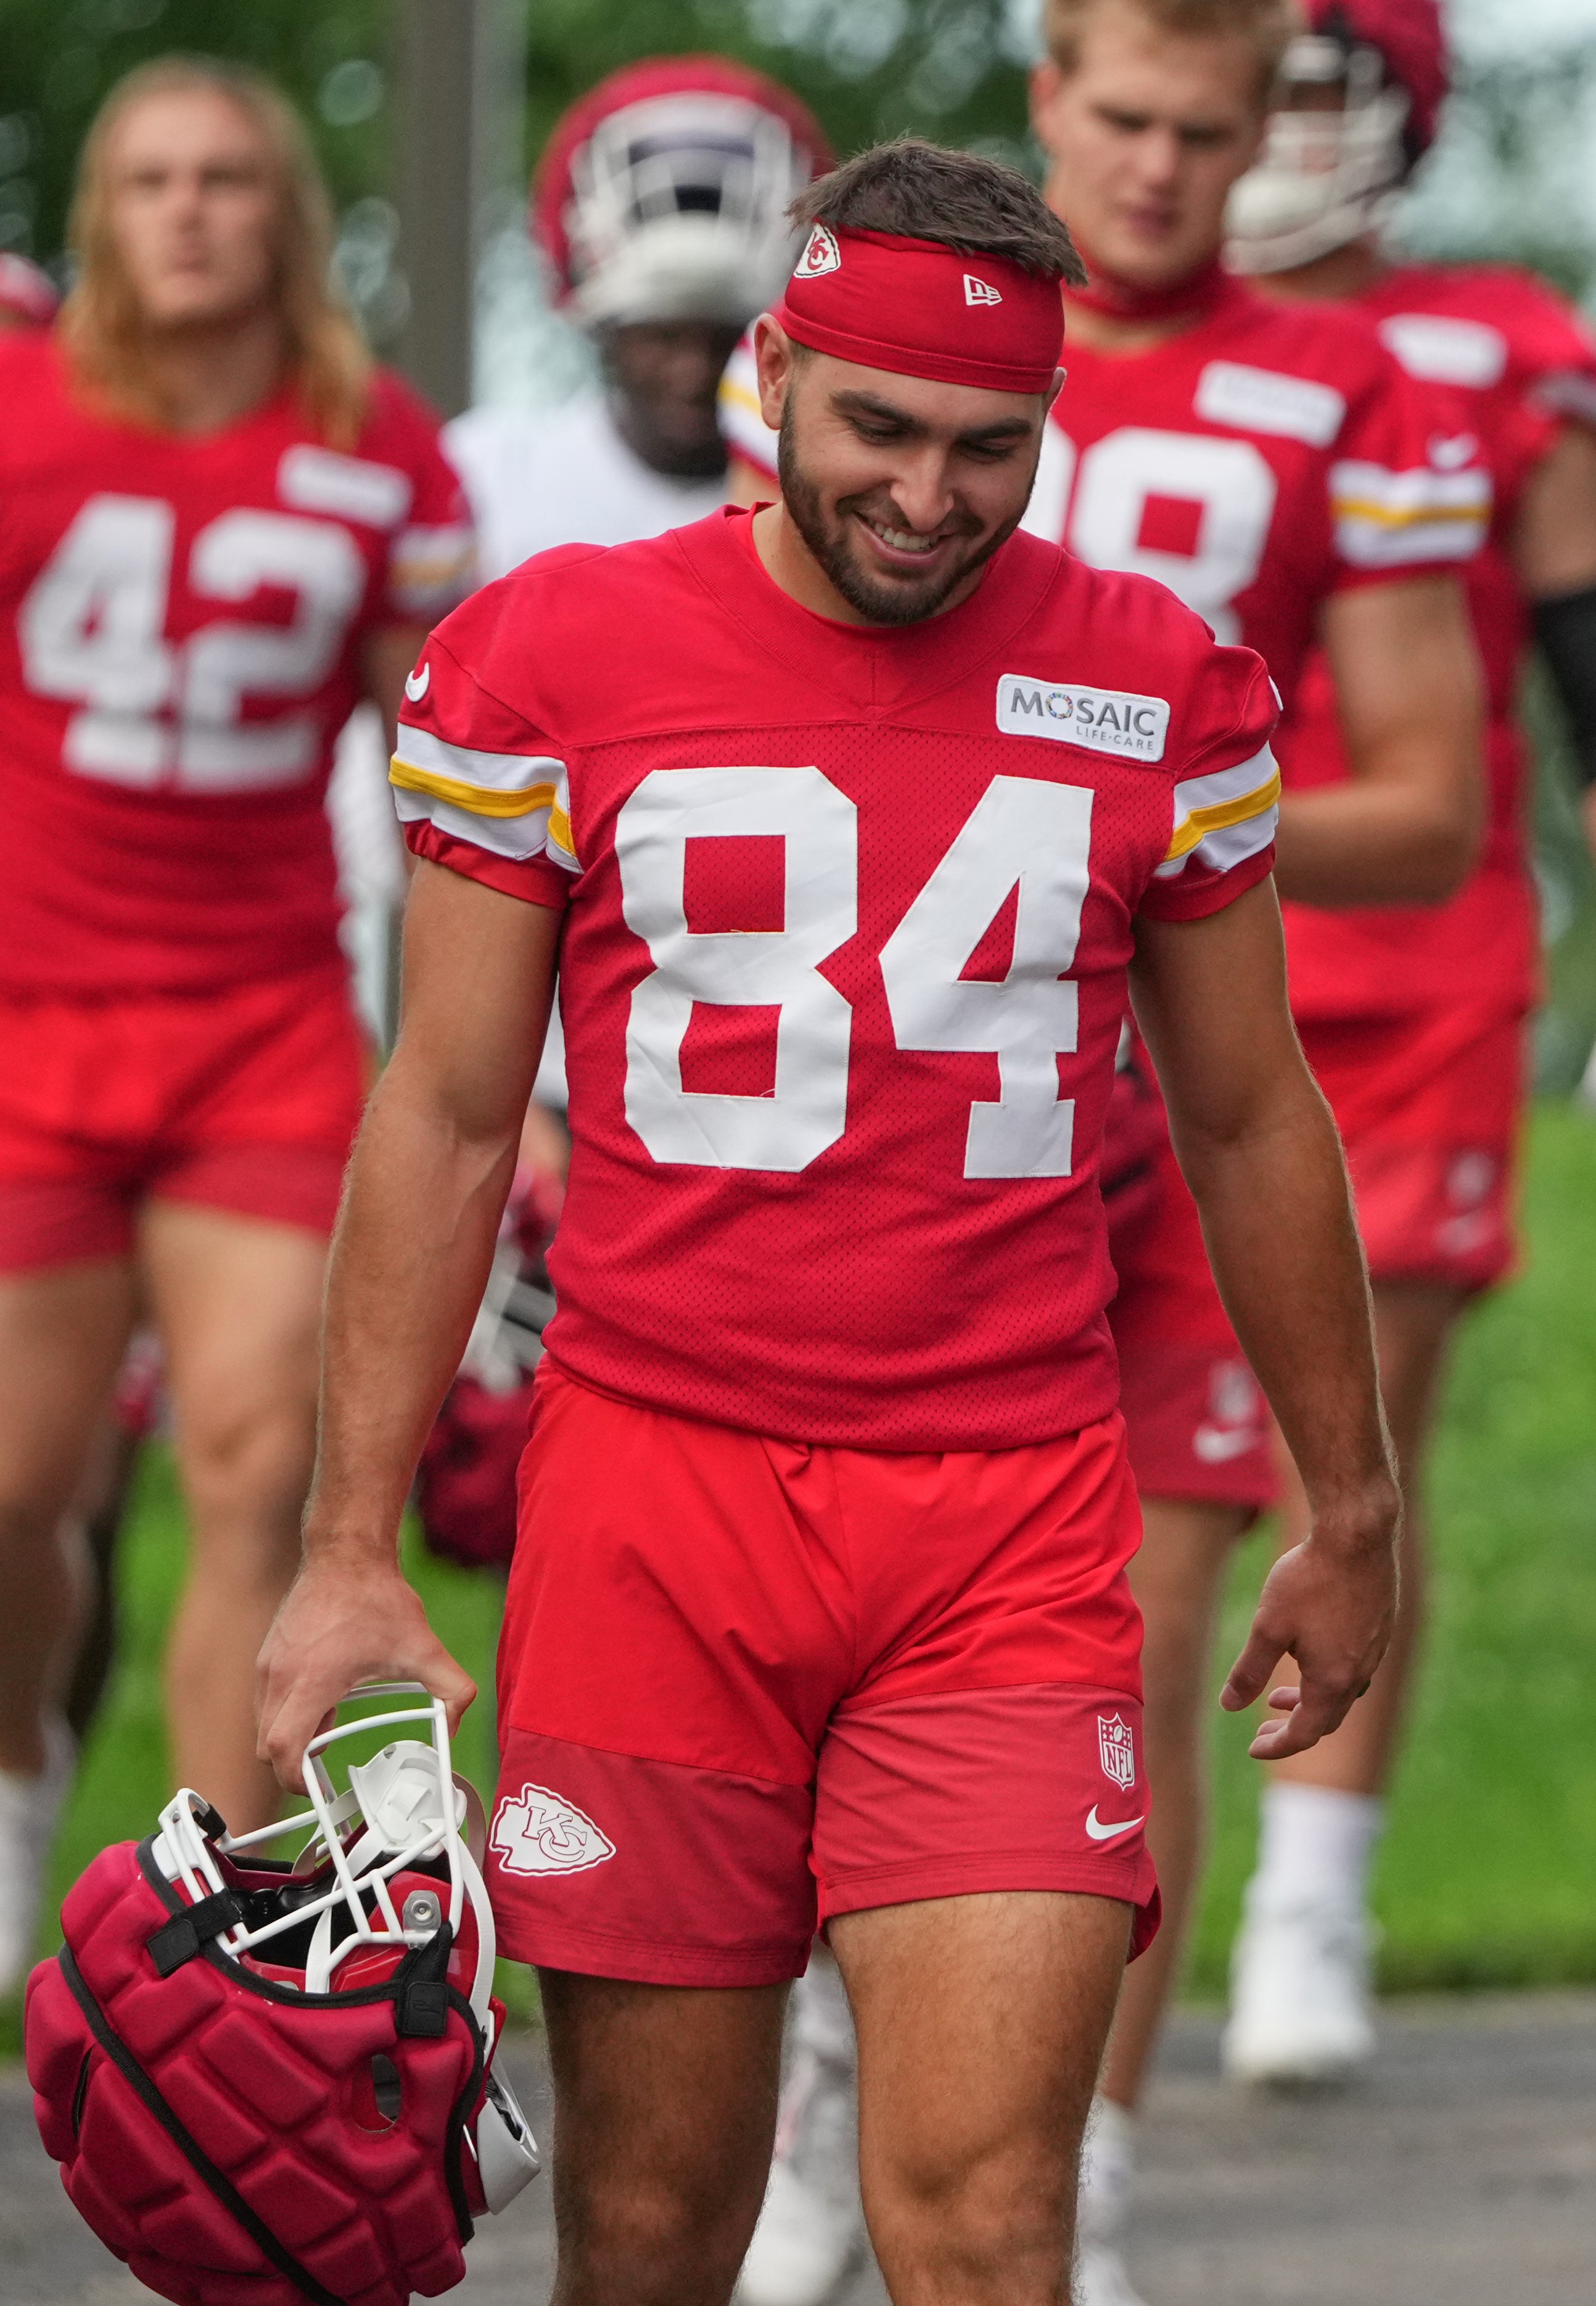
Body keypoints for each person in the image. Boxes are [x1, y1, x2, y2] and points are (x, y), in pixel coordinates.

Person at [255, 138, 1406, 2306]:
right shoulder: (555, 653)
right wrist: (341, 1544)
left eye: (995, 446)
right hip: (649, 1507)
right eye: (878, 425)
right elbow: (442, 1110)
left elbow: (1251, 1112)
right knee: (653, 2230)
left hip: (1007, 1518)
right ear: (768, 372)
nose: (930, 493)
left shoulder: (1156, 678)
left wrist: (1350, 1493)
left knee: (981, 2218)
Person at [712, 8, 1487, 2301]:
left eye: (1203, 132)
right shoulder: (907, 325)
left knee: (1128, 1631)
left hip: (1169, 1057)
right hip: (903, 1068)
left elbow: (1433, 795)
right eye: (1120, 123)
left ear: (1274, 140)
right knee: (778, 1622)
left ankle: (1089, 2163)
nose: (1157, 169)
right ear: (1044, 106)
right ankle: (829, 2099)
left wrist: (1127, 820)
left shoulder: (1361, 386)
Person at [1195, 0, 1596, 2102]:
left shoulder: (1495, 346)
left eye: (1315, 81)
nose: (1259, 125)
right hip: (1131, 939)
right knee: (1116, 1460)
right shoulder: (1093, 325)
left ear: (1397, 116)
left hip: (1404, 947)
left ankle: (1309, 1887)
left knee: (1351, 1434)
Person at [0, 58, 472, 1987]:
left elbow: (454, 787)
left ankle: (224, 1930)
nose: (187, 211)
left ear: (282, 205)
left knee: (255, 1470)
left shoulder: (383, 449)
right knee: (13, 1490)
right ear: (102, 214)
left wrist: (481, 1049)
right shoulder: (21, 410)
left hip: (258, 1026)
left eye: (222, 179)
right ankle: (20, 1779)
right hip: (28, 1016)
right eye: (148, 181)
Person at [449, 56, 832, 583]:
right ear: (602, 329)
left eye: (728, 339)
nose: (694, 371)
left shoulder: (832, 509)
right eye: (663, 336)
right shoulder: (484, 481)